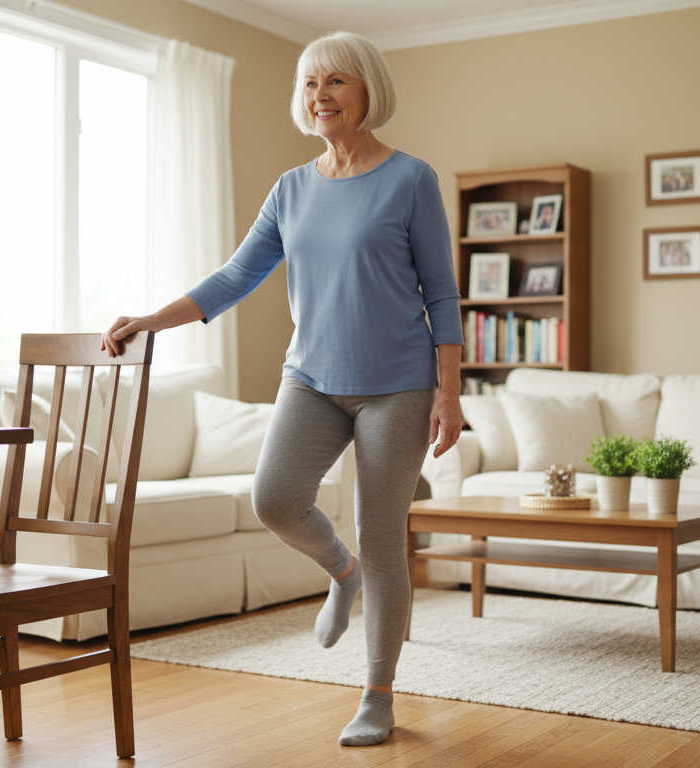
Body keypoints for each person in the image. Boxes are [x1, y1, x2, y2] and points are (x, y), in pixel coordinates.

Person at [100, 30, 464, 747]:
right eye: (309, 84)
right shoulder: (292, 189)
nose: (320, 96)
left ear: (367, 92)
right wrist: (151, 320)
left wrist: (447, 391)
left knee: (384, 535)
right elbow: (235, 277)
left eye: (335, 82)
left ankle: (377, 693)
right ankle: (342, 572)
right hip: (311, 378)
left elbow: (443, 296)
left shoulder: (409, 178)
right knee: (274, 500)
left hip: (397, 384)